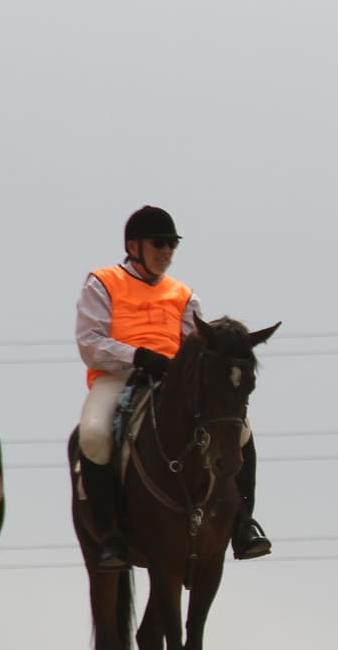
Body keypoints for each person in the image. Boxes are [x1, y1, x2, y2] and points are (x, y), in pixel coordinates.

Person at [73, 204, 271, 570]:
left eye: (172, 244)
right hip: (118, 377)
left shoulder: (184, 294)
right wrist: (138, 357)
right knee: (94, 434)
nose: (166, 251)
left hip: (172, 379)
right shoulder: (102, 282)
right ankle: (111, 534)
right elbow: (90, 342)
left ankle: (244, 523)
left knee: (240, 431)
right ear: (134, 246)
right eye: (159, 243)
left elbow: (195, 345)